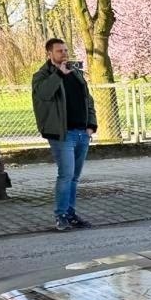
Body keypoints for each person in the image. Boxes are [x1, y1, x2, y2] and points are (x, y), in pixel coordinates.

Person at [30, 37, 97, 232]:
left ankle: (71, 214)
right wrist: (59, 74)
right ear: (49, 54)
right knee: (65, 175)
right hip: (62, 134)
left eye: (66, 50)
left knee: (74, 177)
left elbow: (88, 100)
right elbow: (44, 94)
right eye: (60, 51)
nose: (64, 54)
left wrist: (91, 125)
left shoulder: (76, 74)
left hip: (81, 133)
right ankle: (61, 216)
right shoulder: (41, 76)